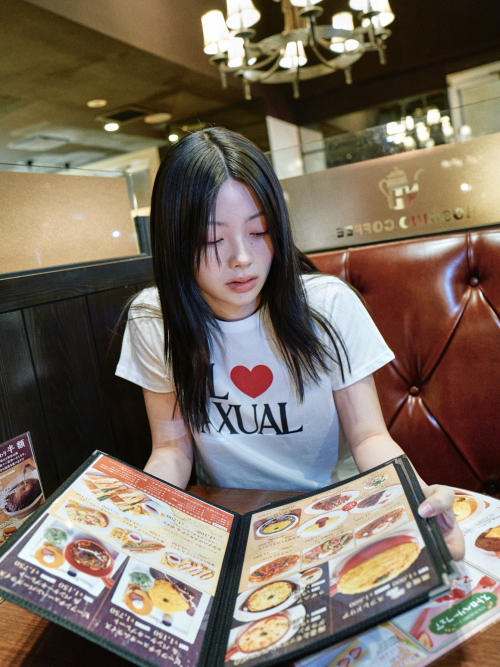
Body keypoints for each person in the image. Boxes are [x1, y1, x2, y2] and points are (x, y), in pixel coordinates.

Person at [116, 128, 464, 561]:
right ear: (174, 242)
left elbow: (368, 437)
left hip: (334, 516)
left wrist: (417, 504)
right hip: (229, 524)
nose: (242, 258)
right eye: (212, 240)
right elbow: (171, 448)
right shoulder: (154, 319)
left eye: (259, 231)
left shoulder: (327, 306)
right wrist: (141, 521)